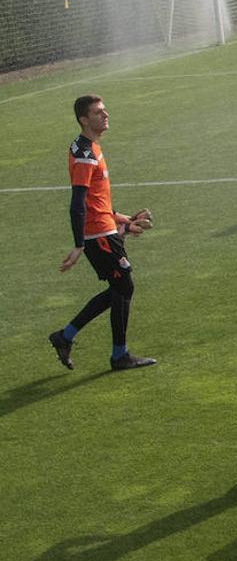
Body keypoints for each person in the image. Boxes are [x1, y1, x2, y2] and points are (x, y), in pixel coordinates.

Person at [48, 95, 156, 372]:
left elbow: (97, 199)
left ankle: (65, 336)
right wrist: (78, 245)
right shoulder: (84, 153)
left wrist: (122, 218)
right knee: (124, 286)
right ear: (84, 119)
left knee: (120, 287)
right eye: (98, 112)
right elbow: (78, 201)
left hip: (103, 228)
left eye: (104, 110)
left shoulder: (88, 146)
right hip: (97, 235)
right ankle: (118, 356)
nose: (105, 115)